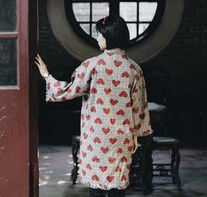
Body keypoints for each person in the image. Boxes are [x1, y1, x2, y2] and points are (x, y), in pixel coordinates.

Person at [35, 15, 153, 197]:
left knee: (95, 189)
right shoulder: (134, 69)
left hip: (96, 137)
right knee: (118, 188)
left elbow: (67, 91)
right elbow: (139, 107)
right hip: (122, 138)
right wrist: (138, 134)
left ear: (108, 36)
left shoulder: (91, 66)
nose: (97, 38)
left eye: (99, 35)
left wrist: (46, 76)